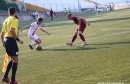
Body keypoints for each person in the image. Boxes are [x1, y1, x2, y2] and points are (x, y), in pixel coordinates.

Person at [1, 7, 24, 84]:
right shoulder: (14, 19)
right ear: (15, 12)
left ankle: (5, 77)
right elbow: (12, 30)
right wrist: (18, 40)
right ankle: (13, 80)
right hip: (11, 40)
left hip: (6, 40)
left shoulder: (5, 20)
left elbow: (1, 34)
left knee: (12, 59)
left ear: (8, 13)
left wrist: (3, 43)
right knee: (16, 59)